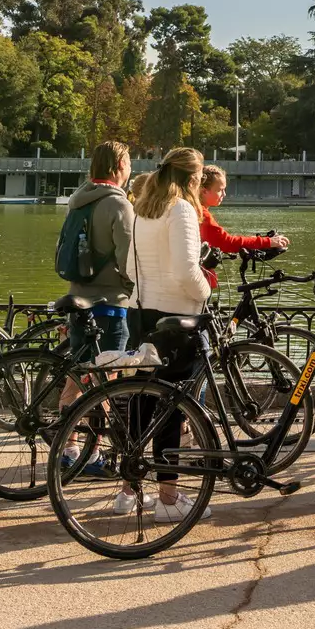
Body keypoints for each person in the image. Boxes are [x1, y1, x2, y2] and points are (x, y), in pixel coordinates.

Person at [127, 147, 214, 523]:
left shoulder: (143, 209)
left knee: (142, 401)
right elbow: (184, 270)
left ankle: (128, 489)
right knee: (171, 406)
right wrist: (206, 292)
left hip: (140, 311)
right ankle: (168, 495)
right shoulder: (180, 209)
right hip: (175, 316)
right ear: (193, 179)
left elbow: (130, 265)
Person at [62, 142, 136, 361]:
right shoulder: (119, 204)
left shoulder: (76, 201)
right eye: (130, 162)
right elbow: (127, 259)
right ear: (122, 164)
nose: (131, 168)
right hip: (109, 303)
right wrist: (132, 288)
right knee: (106, 377)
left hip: (77, 297)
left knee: (79, 375)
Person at [197, 163, 287, 289]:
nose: (224, 194)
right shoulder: (201, 214)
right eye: (220, 190)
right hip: (196, 283)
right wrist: (267, 242)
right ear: (204, 191)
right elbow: (226, 242)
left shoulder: (198, 210)